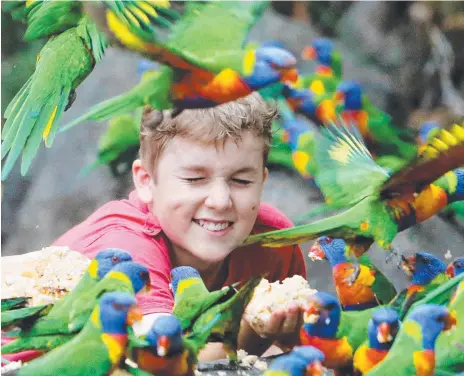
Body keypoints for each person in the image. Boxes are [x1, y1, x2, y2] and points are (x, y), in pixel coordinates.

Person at [53, 93, 306, 360]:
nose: (220, 201)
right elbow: (154, 368)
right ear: (146, 181)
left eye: (242, 180)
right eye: (195, 179)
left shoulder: (273, 241)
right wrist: (252, 334)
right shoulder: (122, 253)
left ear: (262, 181)